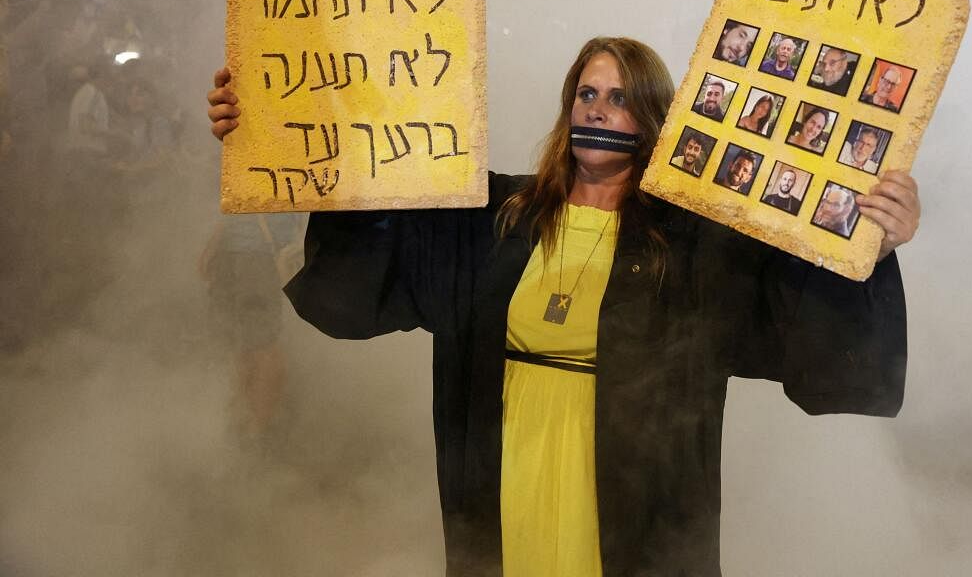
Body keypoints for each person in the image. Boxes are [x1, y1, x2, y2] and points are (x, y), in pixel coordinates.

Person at [206, 37, 920, 577]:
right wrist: (268, 124)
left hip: (630, 495)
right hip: (504, 471)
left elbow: (802, 319)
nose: (597, 110)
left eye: (617, 98)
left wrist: (872, 246)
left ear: (652, 119)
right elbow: (375, 185)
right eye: (586, 95)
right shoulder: (494, 213)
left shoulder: (696, 239)